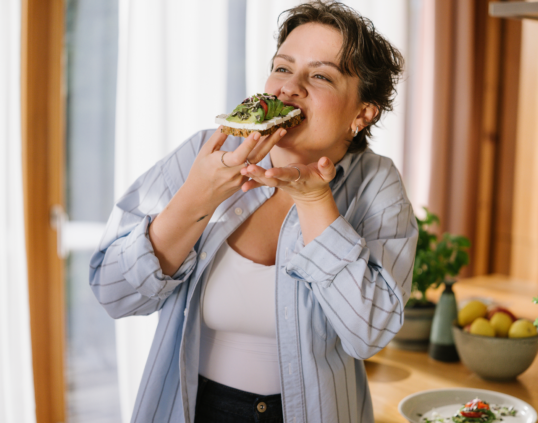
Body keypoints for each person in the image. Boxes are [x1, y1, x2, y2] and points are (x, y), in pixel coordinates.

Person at [90, 1, 418, 422]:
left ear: (362, 113)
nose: (288, 87)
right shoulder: (205, 152)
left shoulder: (376, 183)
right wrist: (197, 197)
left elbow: (368, 334)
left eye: (320, 75)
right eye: (282, 68)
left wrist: (316, 202)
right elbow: (113, 293)